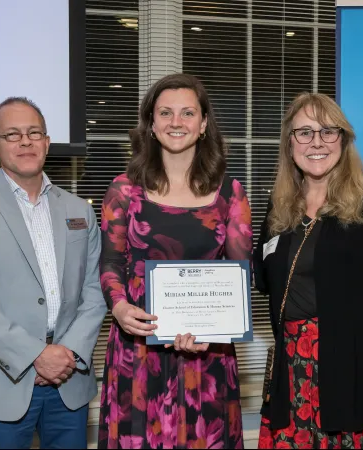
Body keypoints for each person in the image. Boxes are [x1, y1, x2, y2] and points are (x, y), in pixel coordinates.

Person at [0, 97, 107, 449]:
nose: (26, 142)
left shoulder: (79, 211)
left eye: (34, 133)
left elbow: (94, 292)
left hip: (68, 380)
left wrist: (69, 354)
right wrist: (35, 355)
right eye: (12, 134)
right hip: (0, 381)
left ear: (47, 142)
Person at [98, 73, 253, 449]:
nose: (176, 122)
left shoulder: (230, 194)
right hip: (138, 350)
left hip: (207, 355)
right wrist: (118, 307)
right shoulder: (124, 190)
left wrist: (214, 330)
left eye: (187, 113)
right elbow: (110, 262)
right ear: (151, 123)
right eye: (165, 113)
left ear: (203, 124)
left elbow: (239, 277)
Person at [254, 92, 363, 448]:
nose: (317, 142)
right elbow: (264, 279)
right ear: (290, 141)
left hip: (359, 369)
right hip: (293, 372)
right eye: (304, 132)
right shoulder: (280, 207)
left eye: (328, 131)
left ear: (343, 139)